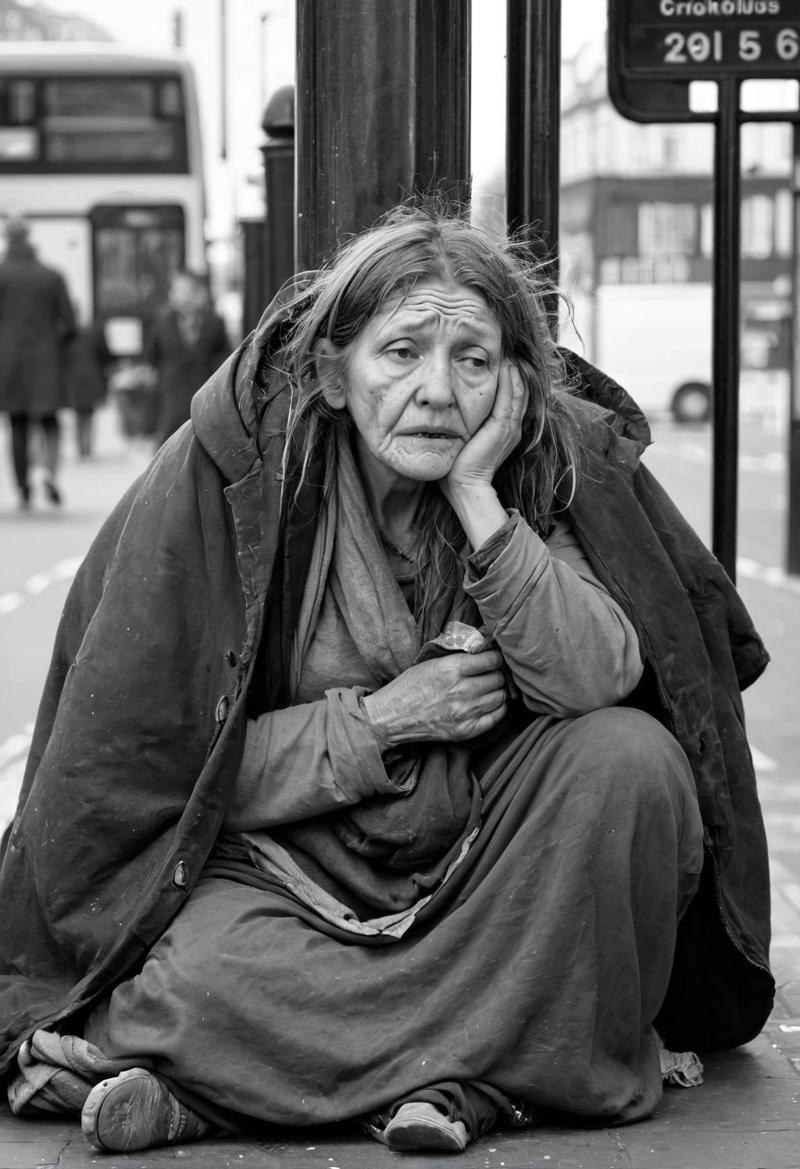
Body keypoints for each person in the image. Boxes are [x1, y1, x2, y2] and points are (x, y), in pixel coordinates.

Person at [0, 206, 773, 1156]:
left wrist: (480, 501)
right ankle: (488, 1076)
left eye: (473, 360)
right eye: (401, 352)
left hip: (489, 866)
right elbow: (170, 782)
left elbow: (596, 677)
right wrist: (378, 722)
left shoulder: (531, 474)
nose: (437, 392)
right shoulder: (235, 483)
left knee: (632, 764)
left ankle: (230, 1087)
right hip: (282, 873)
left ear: (513, 384)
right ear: (334, 371)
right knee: (197, 979)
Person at [0, 216, 76, 508]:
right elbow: (69, 323)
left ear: (8, 237)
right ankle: (48, 471)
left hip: (10, 364)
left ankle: (22, 486)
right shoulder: (51, 275)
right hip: (46, 359)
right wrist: (55, 347)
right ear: (29, 237)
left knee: (17, 424)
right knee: (50, 421)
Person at [145, 267, 230, 449]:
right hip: (171, 399)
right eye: (175, 290)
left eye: (182, 290)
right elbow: (151, 356)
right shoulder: (161, 320)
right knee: (167, 449)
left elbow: (224, 360)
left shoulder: (213, 321)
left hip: (203, 397)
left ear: (196, 292)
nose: (175, 294)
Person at [64, 313, 113, 460]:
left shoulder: (68, 336)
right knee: (88, 414)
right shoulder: (95, 332)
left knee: (80, 414)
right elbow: (105, 355)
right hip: (92, 378)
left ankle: (82, 447)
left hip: (76, 380)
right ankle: (86, 447)